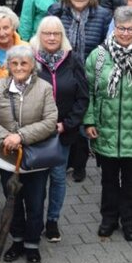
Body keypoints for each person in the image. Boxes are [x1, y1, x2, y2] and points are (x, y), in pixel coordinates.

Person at [85, 6, 132, 241]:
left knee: (130, 180)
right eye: (121, 28)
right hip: (105, 127)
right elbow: (88, 93)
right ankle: (108, 219)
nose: (126, 33)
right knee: (108, 179)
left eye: (131, 29)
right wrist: (89, 121)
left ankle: (128, 221)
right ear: (114, 28)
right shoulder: (98, 56)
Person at [0, 45, 58, 263]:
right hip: (6, 159)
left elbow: (50, 121)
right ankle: (16, 241)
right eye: (14, 63)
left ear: (32, 65)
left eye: (24, 63)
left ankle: (32, 244)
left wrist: (21, 136)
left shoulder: (44, 88)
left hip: (36, 160)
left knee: (35, 204)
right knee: (12, 203)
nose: (19, 67)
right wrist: (6, 137)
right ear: (8, 66)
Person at [46, 0, 112, 183]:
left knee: (84, 119)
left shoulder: (102, 15)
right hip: (65, 72)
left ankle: (80, 165)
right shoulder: (58, 11)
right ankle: (64, 160)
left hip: (91, 73)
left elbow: (105, 44)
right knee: (67, 115)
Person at [31, 16, 89, 242]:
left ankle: (52, 220)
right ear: (40, 35)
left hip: (62, 133)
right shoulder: (31, 60)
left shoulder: (73, 61)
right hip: (36, 133)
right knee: (37, 180)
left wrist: (67, 124)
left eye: (56, 33)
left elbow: (83, 98)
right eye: (47, 33)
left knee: (57, 177)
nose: (52, 37)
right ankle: (34, 220)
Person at [46, 0, 113, 65]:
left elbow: (106, 47)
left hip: (91, 69)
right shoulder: (56, 11)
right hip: (59, 67)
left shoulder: (103, 15)